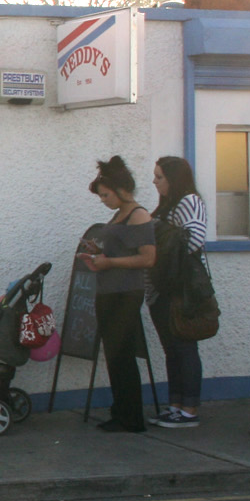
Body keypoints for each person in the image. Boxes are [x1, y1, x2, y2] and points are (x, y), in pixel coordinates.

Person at [78, 155, 156, 433]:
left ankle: (132, 417)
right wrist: (99, 253)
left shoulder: (139, 215)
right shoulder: (118, 214)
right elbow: (121, 251)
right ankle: (121, 411)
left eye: (106, 195)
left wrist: (109, 262)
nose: (103, 200)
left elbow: (147, 258)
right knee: (113, 353)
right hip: (109, 290)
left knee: (122, 353)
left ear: (122, 190)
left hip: (126, 292)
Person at [150, 156, 208, 428]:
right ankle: (175, 405)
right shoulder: (167, 206)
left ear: (174, 178)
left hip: (179, 290)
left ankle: (189, 408)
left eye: (159, 176)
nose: (155, 181)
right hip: (162, 289)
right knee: (172, 350)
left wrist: (161, 250)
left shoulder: (189, 201)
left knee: (184, 347)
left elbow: (193, 239)